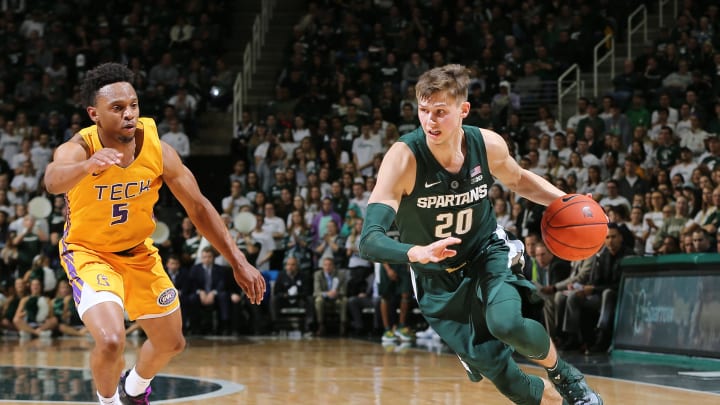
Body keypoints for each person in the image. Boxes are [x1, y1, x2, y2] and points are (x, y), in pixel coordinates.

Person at [359, 64, 602, 405]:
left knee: (507, 324)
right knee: (506, 381)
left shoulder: (486, 144)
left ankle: (565, 376)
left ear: (464, 110)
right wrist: (417, 252)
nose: (430, 121)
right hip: (436, 278)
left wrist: (566, 201)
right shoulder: (404, 158)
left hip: (486, 253)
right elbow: (368, 239)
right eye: (424, 111)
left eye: (441, 112)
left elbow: (518, 179)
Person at [43, 63, 265, 405]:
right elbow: (53, 179)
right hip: (90, 254)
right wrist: (87, 167)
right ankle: (109, 403)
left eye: (132, 105)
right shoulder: (80, 148)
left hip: (139, 253)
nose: (128, 114)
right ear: (94, 115)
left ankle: (132, 389)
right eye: (117, 108)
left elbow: (199, 208)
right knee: (112, 340)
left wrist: (238, 261)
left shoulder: (158, 150)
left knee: (171, 342)